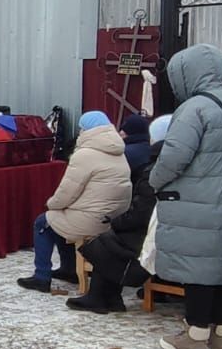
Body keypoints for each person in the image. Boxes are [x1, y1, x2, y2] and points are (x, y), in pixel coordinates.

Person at [151, 43, 222, 349]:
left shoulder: (195, 109)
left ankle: (195, 335)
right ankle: (221, 334)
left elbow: (174, 157)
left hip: (196, 201)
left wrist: (154, 181)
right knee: (221, 266)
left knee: (198, 270)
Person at [17, 111, 132, 294]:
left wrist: (51, 204)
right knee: (61, 219)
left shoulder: (85, 155)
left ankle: (41, 276)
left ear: (85, 130)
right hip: (113, 219)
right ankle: (69, 268)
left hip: (91, 219)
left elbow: (67, 192)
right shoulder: (119, 151)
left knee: (44, 221)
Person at [69, 115, 172, 314]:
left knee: (108, 241)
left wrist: (117, 222)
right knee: (113, 237)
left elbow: (142, 211)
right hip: (165, 226)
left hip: (152, 231)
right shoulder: (166, 164)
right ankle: (112, 297)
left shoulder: (155, 170)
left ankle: (97, 297)